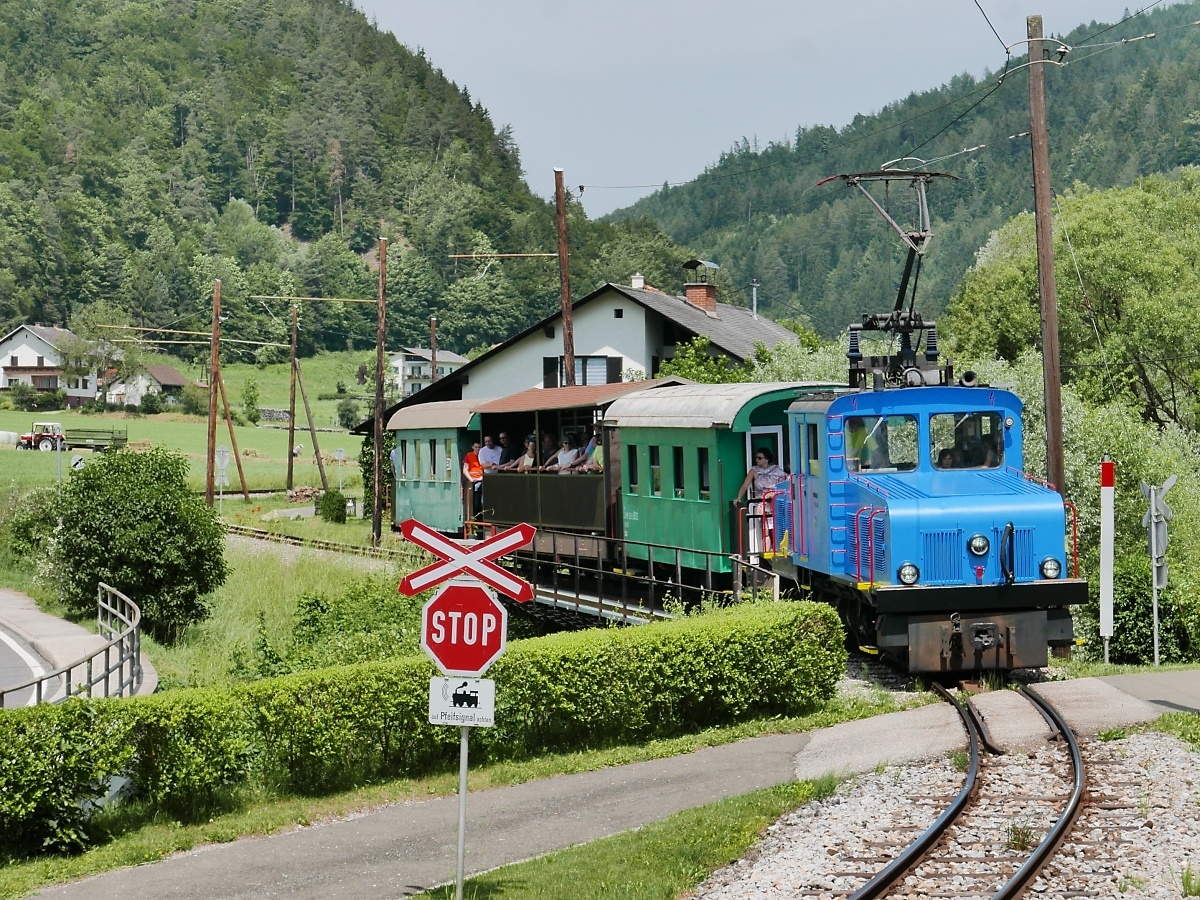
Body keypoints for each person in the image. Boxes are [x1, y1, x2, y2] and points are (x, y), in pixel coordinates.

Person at [462, 440, 483, 512]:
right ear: (472, 447)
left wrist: (481, 478)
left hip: (481, 479)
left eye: (479, 447)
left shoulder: (483, 456)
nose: (478, 449)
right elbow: (465, 469)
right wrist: (471, 479)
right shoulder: (469, 455)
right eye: (476, 447)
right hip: (472, 480)